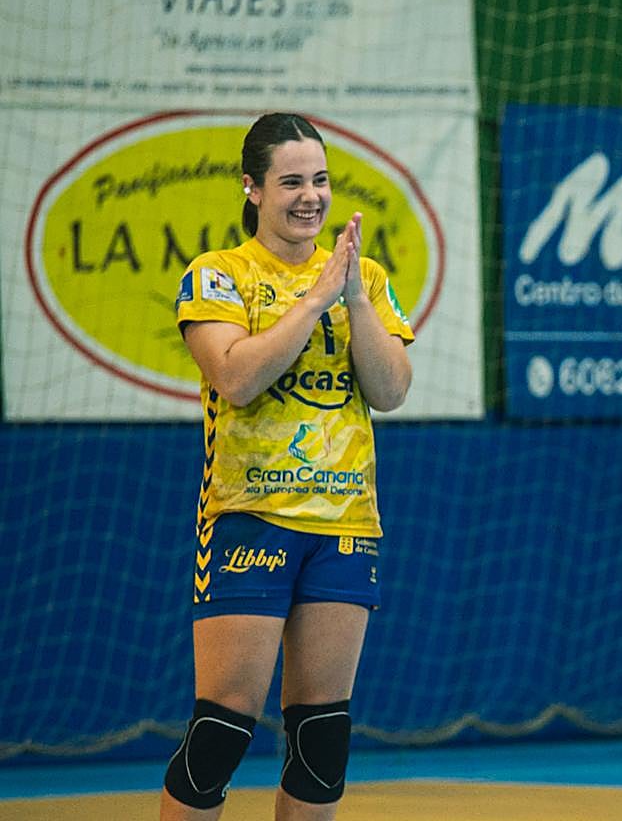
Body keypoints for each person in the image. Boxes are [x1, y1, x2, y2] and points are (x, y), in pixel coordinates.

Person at [161, 113, 414, 821]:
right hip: (249, 518)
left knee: (322, 737)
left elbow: (391, 391)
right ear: (252, 188)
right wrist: (312, 300)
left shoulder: (362, 277)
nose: (311, 196)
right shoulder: (218, 274)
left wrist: (354, 296)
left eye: (321, 180)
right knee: (222, 731)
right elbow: (234, 378)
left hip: (345, 525)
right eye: (292, 181)